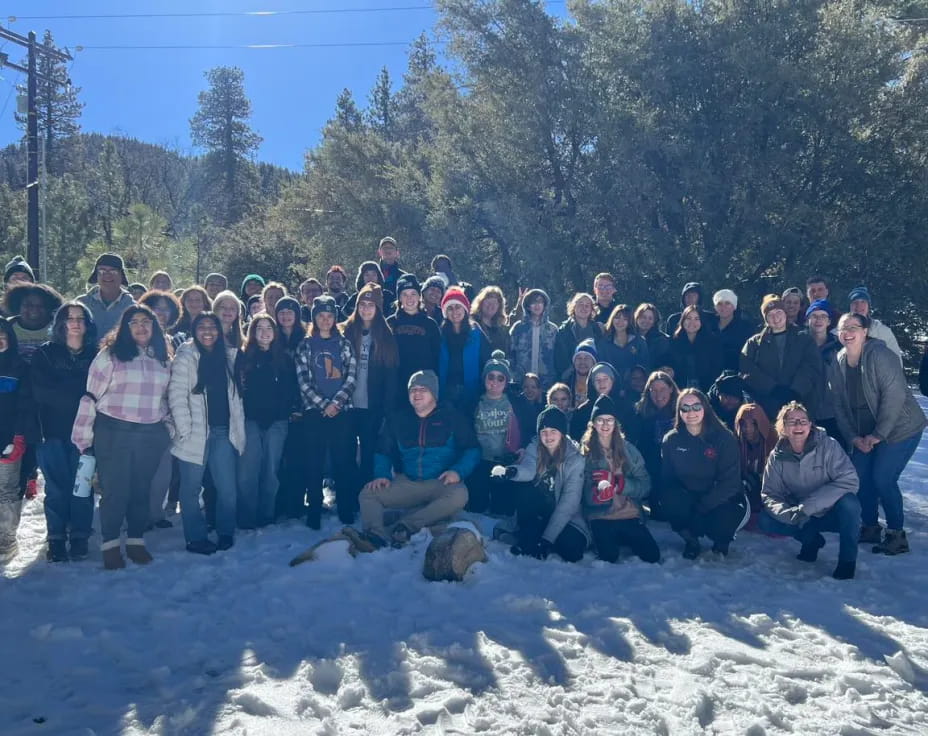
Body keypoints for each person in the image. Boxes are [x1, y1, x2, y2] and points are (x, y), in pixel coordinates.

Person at [71, 305, 172, 569]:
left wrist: (167, 430)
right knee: (116, 491)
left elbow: (166, 399)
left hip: (149, 434)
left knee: (141, 490)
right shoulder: (110, 355)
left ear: (155, 327)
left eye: (146, 322)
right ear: (124, 328)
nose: (141, 327)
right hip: (114, 432)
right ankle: (111, 545)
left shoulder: (162, 358)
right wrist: (83, 438)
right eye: (134, 322)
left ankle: (136, 542)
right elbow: (91, 397)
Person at [829, 312, 926, 555]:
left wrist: (878, 435)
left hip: (900, 428)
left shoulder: (880, 355)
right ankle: (870, 526)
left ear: (865, 332)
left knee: (883, 478)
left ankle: (896, 534)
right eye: (843, 328)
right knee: (860, 477)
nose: (848, 332)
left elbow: (894, 398)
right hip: (865, 433)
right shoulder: (839, 361)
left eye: (854, 327)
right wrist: (853, 437)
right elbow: (839, 405)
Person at [358, 370, 477, 548]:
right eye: (413, 389)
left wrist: (457, 472)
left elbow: (473, 449)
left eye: (423, 389)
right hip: (408, 482)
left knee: (460, 494)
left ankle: (407, 525)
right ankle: (376, 535)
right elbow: (383, 450)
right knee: (367, 494)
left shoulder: (452, 418)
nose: (417, 393)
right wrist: (382, 474)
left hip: (440, 482)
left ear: (434, 394)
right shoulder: (399, 419)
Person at [170, 312, 245, 554]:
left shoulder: (229, 356)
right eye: (201, 326)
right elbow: (177, 395)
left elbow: (237, 398)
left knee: (227, 488)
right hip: (194, 433)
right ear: (194, 330)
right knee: (190, 490)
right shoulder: (186, 356)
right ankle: (195, 537)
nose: (208, 331)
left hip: (223, 432)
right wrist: (184, 430)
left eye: (212, 326)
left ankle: (225, 531)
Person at [759, 402, 861, 580]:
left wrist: (808, 506)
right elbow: (769, 493)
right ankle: (810, 540)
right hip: (801, 516)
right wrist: (788, 513)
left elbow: (849, 480)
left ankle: (847, 561)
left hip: (830, 512)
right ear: (782, 427)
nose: (798, 425)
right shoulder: (777, 456)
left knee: (851, 504)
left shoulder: (829, 446)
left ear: (810, 424)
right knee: (765, 520)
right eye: (792, 421)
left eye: (803, 420)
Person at [31, 302, 98, 561]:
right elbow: (42, 393)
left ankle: (80, 535)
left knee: (82, 486)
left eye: (81, 318)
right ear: (60, 323)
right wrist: (81, 393)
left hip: (88, 434)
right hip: (52, 432)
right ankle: (56, 538)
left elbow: (101, 392)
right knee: (57, 488)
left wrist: (72, 391)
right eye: (70, 318)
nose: (75, 323)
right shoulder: (45, 354)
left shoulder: (97, 354)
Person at [660, 388, 748, 559]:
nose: (690, 412)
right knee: (669, 499)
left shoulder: (724, 438)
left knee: (724, 518)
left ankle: (722, 542)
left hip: (720, 498)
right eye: (684, 408)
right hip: (689, 496)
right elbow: (668, 480)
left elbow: (730, 484)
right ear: (679, 412)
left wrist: (702, 508)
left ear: (705, 408)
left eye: (696, 407)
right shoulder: (671, 440)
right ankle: (691, 540)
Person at [495, 406, 589, 562]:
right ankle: (529, 535)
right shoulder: (535, 447)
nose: (548, 436)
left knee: (571, 550)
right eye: (544, 432)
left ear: (562, 433)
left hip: (566, 514)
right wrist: (510, 472)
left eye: (553, 431)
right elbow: (528, 470)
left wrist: (547, 539)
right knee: (524, 490)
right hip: (541, 510)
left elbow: (568, 503)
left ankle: (534, 538)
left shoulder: (575, 459)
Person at [296, 295, 358, 527]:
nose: (325, 320)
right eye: (320, 316)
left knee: (343, 461)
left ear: (334, 319)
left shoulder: (343, 344)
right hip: (314, 411)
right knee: (314, 462)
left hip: (341, 410)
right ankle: (313, 508)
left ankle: (345, 507)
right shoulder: (306, 345)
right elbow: (303, 380)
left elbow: (352, 377)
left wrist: (337, 403)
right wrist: (324, 404)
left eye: (329, 316)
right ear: (314, 318)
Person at [235, 314, 298, 530]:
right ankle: (247, 515)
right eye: (259, 328)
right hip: (250, 421)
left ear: (275, 332)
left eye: (268, 328)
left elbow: (290, 391)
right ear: (252, 332)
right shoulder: (243, 358)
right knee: (248, 471)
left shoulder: (284, 359)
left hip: (277, 422)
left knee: (271, 470)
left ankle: (267, 513)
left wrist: (283, 413)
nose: (264, 332)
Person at [580, 394, 659, 563]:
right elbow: (580, 490)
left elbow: (645, 484)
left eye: (610, 420)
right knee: (609, 556)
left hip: (628, 513)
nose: (605, 424)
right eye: (600, 420)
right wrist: (595, 493)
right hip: (600, 515)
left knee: (652, 556)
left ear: (616, 423)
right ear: (593, 423)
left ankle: (623, 535)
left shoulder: (629, 450)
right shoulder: (585, 452)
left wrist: (621, 485)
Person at [342, 283, 399, 494]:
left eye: (371, 305)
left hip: (372, 406)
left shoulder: (386, 337)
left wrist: (387, 408)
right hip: (347, 404)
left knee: (368, 452)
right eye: (362, 304)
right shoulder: (345, 331)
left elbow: (391, 376)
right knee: (346, 451)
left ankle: (365, 494)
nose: (366, 309)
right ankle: (347, 493)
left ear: (378, 308)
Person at [468, 351, 534, 514]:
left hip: (506, 461)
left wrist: (523, 447)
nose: (495, 382)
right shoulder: (472, 402)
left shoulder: (517, 403)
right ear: (484, 379)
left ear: (506, 381)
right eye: (491, 377)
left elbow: (530, 428)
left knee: (503, 510)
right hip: (480, 461)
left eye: (500, 378)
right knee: (476, 507)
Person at [139, 290, 183, 529]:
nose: (161, 313)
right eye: (156, 307)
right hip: (136, 412)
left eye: (166, 309)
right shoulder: (132, 337)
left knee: (163, 469)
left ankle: (155, 513)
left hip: (164, 413)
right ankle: (137, 514)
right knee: (139, 469)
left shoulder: (172, 341)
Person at [740, 295, 821, 422]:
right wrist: (772, 388)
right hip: (767, 406)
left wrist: (796, 390)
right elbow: (747, 370)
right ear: (765, 318)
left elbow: (811, 366)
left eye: (778, 312)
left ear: (785, 313)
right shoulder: (754, 343)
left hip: (800, 403)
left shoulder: (804, 338)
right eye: (770, 314)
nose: (775, 317)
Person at [0, 317, 34, 561]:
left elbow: (25, 405)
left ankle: (6, 538)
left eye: (3, 334)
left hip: (8, 438)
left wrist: (19, 435)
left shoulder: (19, 367)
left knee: (7, 491)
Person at [634, 371, 679, 519]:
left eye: (663, 389)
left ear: (671, 389)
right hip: (652, 467)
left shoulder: (682, 411)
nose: (658, 395)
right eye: (654, 390)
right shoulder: (642, 413)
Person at [439, 287, 491, 412]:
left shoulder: (476, 333)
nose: (454, 311)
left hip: (472, 391)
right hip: (447, 392)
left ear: (465, 309)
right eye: (450, 308)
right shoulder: (440, 335)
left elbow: (487, 360)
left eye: (458, 307)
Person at [388, 273, 441, 396]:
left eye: (413, 294)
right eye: (404, 294)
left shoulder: (430, 324)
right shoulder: (391, 323)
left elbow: (437, 356)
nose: (409, 298)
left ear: (419, 296)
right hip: (396, 384)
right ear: (399, 298)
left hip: (423, 386)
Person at [802, 299, 843, 442]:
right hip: (804, 413)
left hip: (833, 414)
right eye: (814, 316)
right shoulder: (798, 344)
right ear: (807, 320)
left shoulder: (840, 347)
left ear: (829, 321)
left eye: (823, 316)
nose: (818, 320)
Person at [569, 362, 640, 444]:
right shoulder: (582, 411)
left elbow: (633, 435)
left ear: (613, 380)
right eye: (597, 379)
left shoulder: (627, 408)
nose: (601, 383)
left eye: (605, 378)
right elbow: (576, 438)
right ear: (592, 383)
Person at [78, 254, 137, 340]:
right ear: (96, 275)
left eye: (113, 271)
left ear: (122, 276)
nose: (107, 275)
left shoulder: (132, 307)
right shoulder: (81, 304)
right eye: (102, 271)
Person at [733, 402, 777, 515]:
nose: (748, 429)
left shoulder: (774, 441)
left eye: (753, 423)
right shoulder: (735, 443)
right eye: (743, 424)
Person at [509, 289, 558, 389]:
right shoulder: (518, 328)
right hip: (521, 383)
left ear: (545, 305)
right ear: (527, 305)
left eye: (540, 301)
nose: (537, 305)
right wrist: (514, 376)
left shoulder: (553, 329)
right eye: (533, 302)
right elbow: (510, 354)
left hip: (546, 384)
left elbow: (558, 357)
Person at [669, 305, 723, 393]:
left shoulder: (713, 342)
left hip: (707, 389)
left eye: (696, 319)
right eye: (688, 318)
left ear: (702, 321)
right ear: (683, 320)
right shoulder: (674, 341)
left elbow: (717, 368)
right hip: (679, 389)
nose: (692, 322)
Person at [3, 283, 63, 361]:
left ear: (49, 308)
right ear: (18, 305)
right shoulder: (7, 326)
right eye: (28, 305)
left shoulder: (58, 327)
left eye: (41, 305)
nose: (34, 309)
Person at [596, 304, 650, 385]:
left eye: (625, 319)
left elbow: (645, 366)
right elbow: (601, 367)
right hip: (610, 385)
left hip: (635, 386)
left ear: (629, 322)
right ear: (612, 319)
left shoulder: (639, 342)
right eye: (617, 318)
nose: (620, 322)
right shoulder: (604, 343)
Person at [554, 293, 603, 380]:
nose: (584, 308)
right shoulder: (564, 330)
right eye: (580, 304)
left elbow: (602, 353)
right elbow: (560, 358)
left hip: (594, 376)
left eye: (587, 305)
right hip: (570, 377)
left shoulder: (597, 330)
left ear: (592, 309)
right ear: (574, 307)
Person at [847, 286, 903, 360]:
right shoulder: (838, 333)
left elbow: (896, 361)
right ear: (850, 306)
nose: (859, 306)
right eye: (855, 302)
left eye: (863, 302)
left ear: (868, 306)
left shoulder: (883, 332)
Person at [713, 289, 754, 372]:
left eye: (727, 303)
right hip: (711, 377)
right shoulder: (709, 326)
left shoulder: (745, 328)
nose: (723, 307)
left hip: (736, 377)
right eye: (719, 303)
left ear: (734, 306)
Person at [471, 286, 511, 356]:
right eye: (488, 301)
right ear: (481, 303)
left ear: (499, 306)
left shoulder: (502, 329)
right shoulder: (472, 325)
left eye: (494, 302)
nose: (491, 305)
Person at [634, 303, 671, 372]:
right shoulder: (628, 337)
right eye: (643, 317)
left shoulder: (662, 340)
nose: (646, 321)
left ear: (654, 322)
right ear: (637, 318)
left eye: (650, 318)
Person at [564, 340, 597, 409]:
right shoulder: (565, 385)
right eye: (579, 358)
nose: (582, 362)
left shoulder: (599, 386)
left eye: (586, 358)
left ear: (594, 362)